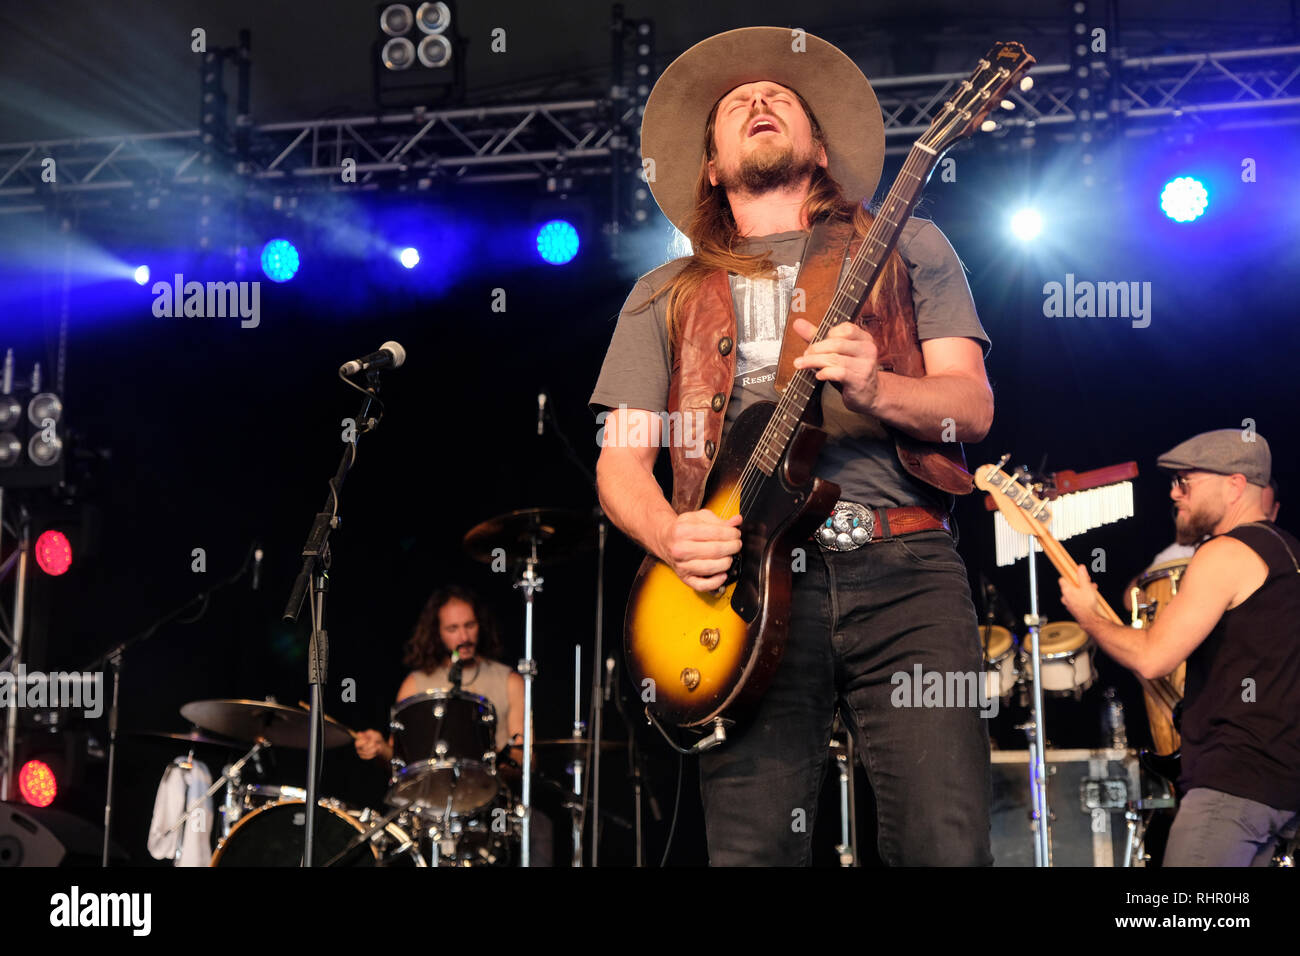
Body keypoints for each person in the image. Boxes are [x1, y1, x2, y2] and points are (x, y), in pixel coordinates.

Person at [590, 27, 994, 865]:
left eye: (782, 98)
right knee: (753, 851)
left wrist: (879, 386)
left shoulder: (909, 246)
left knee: (946, 844)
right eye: (736, 104)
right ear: (710, 166)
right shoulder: (661, 293)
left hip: (905, 574)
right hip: (744, 591)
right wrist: (669, 534)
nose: (760, 100)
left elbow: (973, 410)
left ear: (819, 148)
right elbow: (621, 460)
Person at [1060, 430, 1300, 865]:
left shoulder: (1225, 553)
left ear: (1234, 485)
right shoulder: (1289, 555)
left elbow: (1154, 657)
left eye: (1187, 482)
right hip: (1279, 790)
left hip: (1232, 791)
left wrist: (1087, 615)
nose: (1175, 494)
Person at [354, 585, 524, 762]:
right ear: (437, 632)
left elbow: (526, 760)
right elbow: (399, 762)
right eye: (453, 629)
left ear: (480, 624)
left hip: (492, 786)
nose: (464, 637)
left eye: (470, 625)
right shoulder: (414, 685)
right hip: (431, 788)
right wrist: (380, 748)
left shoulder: (510, 681)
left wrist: (486, 759)